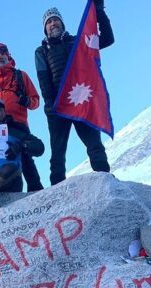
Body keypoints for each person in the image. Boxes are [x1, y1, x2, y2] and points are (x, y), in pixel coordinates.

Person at [35, 4, 114, 185]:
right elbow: (43, 78)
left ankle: (105, 178)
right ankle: (57, 189)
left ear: (62, 23)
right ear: (45, 28)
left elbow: (108, 39)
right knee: (58, 153)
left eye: (55, 19)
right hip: (57, 106)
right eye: (49, 22)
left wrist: (99, 12)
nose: (53, 23)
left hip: (81, 100)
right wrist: (50, 105)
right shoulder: (41, 51)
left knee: (94, 144)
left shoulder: (78, 42)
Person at [0, 43, 45, 192]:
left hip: (18, 125)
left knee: (25, 156)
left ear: (9, 56)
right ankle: (4, 191)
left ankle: (36, 191)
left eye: (3, 53)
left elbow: (35, 101)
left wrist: (27, 101)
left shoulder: (20, 76)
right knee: (2, 159)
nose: (0, 56)